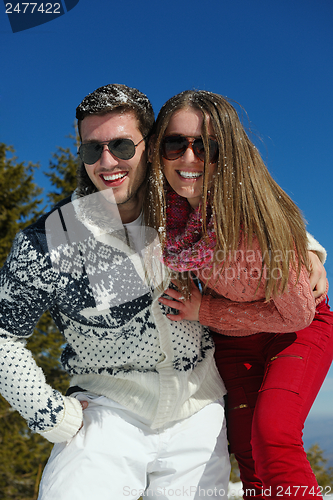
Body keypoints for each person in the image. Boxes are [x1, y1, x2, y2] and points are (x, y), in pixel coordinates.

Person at [0, 84, 231, 500]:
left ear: (149, 145)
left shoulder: (188, 209)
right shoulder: (51, 239)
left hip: (197, 409)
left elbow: (257, 214)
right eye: (92, 150)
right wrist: (49, 414)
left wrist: (305, 249)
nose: (107, 162)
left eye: (122, 145)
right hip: (106, 411)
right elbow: (2, 335)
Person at [148, 89, 333, 499]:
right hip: (234, 336)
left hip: (299, 325)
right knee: (247, 449)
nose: (188, 158)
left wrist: (204, 309)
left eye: (206, 146)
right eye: (175, 143)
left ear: (228, 153)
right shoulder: (167, 213)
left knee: (273, 434)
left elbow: (298, 315)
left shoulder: (259, 221)